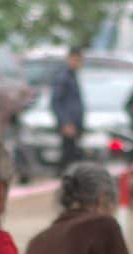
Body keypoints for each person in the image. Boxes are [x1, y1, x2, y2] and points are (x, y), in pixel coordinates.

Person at [50, 46, 84, 174]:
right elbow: (56, 102)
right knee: (67, 157)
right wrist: (65, 122)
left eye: (79, 60)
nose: (76, 63)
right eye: (74, 59)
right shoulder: (63, 78)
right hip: (68, 125)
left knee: (73, 156)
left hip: (75, 125)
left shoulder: (73, 76)